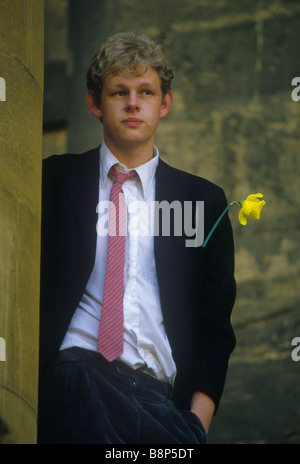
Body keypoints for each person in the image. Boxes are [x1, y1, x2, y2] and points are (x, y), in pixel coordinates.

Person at [38, 31, 236, 444]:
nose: (132, 103)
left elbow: (215, 328)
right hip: (78, 384)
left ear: (164, 104)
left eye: (145, 91)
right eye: (118, 92)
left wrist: (196, 426)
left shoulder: (202, 200)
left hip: (165, 408)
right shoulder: (52, 180)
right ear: (95, 102)